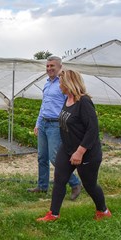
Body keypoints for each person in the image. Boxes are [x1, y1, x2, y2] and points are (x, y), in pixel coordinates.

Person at [37, 69, 112, 221]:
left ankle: (103, 211)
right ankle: (53, 214)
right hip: (67, 148)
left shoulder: (83, 102)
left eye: (61, 82)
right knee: (59, 179)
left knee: (90, 185)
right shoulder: (67, 99)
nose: (59, 85)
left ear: (69, 83)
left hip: (86, 151)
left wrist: (79, 152)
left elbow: (92, 130)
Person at [27, 56, 81, 201]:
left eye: (52, 66)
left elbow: (70, 105)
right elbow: (43, 106)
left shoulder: (63, 84)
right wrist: (38, 123)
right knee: (41, 157)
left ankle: (75, 184)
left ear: (59, 67)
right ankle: (42, 186)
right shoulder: (46, 84)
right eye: (47, 66)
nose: (49, 68)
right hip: (44, 123)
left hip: (56, 125)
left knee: (55, 158)